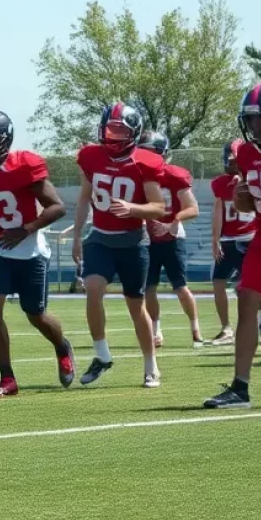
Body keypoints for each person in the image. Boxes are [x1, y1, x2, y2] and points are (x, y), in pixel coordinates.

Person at [0, 109, 75, 396]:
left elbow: (57, 206)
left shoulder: (23, 165)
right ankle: (7, 377)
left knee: (35, 314)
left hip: (29, 250)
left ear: (5, 141)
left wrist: (27, 228)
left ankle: (61, 346)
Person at [205, 83, 261, 408]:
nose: (259, 127)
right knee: (246, 300)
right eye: (253, 121)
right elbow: (248, 204)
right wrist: (242, 200)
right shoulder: (244, 152)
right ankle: (240, 388)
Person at [73, 102, 167, 388]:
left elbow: (159, 207)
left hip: (133, 241)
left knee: (135, 306)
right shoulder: (90, 156)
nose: (112, 136)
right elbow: (84, 198)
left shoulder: (145, 162)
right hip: (100, 237)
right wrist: (77, 235)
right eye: (109, 130)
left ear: (133, 133)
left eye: (119, 131)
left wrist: (133, 208)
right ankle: (102, 355)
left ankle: (151, 366)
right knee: (92, 288)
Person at [136, 131, 203, 348]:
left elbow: (193, 209)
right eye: (143, 151)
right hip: (147, 237)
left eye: (151, 152)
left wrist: (174, 220)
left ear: (162, 154)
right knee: (149, 288)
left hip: (172, 237)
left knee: (180, 287)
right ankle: (156, 331)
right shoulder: (135, 175)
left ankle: (195, 329)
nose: (146, 157)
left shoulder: (174, 175)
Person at [209, 140, 258, 345]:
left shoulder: (254, 179)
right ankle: (226, 328)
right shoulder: (221, 182)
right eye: (230, 160)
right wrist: (215, 239)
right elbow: (218, 212)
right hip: (229, 239)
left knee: (252, 286)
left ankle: (260, 325)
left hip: (249, 238)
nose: (231, 164)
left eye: (234, 160)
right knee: (218, 282)